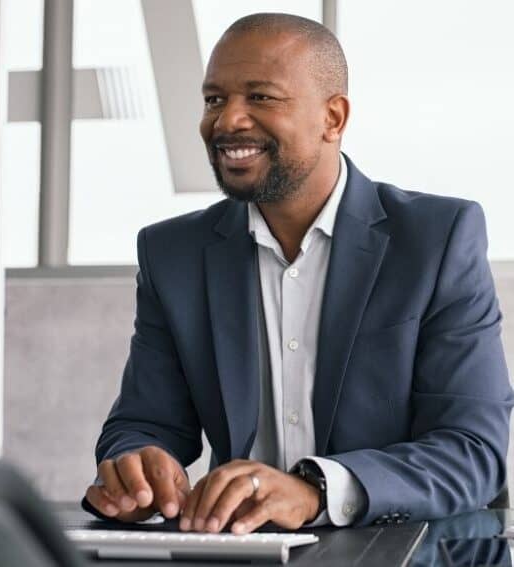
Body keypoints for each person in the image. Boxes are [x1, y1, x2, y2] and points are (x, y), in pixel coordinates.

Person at [84, 13, 513, 533]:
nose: (226, 122)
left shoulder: (437, 239)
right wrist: (138, 468)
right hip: (241, 548)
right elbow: (144, 421)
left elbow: (471, 452)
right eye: (214, 99)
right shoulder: (172, 252)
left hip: (406, 548)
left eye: (260, 97)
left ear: (333, 118)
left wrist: (317, 489)